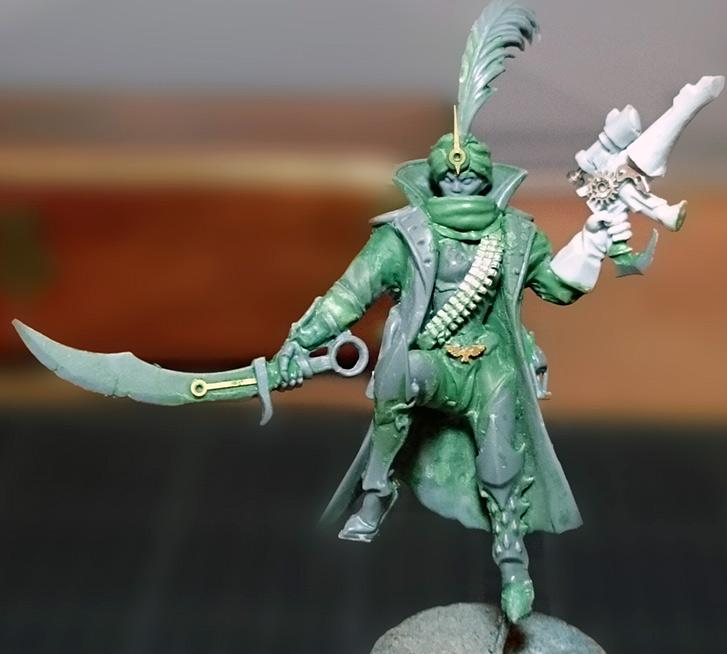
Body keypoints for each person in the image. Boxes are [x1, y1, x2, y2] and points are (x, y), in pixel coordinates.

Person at [274, 124, 632, 622]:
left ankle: (513, 563)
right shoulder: (404, 235)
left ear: (485, 178)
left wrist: (592, 243)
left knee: (501, 460)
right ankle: (377, 492)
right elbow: (349, 296)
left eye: (468, 175)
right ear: (435, 178)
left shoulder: (514, 234)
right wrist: (299, 343)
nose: (459, 180)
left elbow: (556, 287)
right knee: (397, 377)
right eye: (450, 174)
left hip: (490, 364)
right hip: (434, 360)